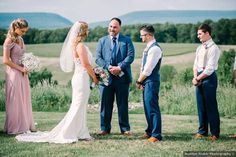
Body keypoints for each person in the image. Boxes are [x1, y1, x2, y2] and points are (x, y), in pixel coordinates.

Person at [15, 21, 99, 143]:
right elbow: (86, 64)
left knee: (80, 105)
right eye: (87, 29)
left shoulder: (76, 45)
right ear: (83, 31)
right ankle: (68, 132)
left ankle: (81, 131)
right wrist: (95, 78)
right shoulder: (80, 46)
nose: (89, 31)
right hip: (81, 78)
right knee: (78, 105)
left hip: (81, 77)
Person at [95, 17, 135, 135]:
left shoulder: (127, 40)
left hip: (123, 78)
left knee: (122, 104)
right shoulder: (102, 41)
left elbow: (130, 56)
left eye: (115, 27)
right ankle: (105, 129)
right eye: (110, 26)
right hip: (106, 77)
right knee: (105, 104)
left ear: (119, 28)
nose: (112, 29)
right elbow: (98, 58)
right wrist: (109, 67)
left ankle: (125, 129)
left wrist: (119, 67)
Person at [3, 18, 36, 134]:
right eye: (22, 31)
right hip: (13, 73)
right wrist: (20, 68)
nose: (24, 33)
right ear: (16, 28)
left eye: (25, 31)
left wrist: (28, 65)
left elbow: (22, 55)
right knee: (15, 99)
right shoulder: (8, 41)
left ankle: (25, 124)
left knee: (24, 98)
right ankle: (14, 127)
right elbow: (6, 60)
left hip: (23, 73)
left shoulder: (21, 39)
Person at [192, 23, 221, 141]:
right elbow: (195, 64)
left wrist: (199, 78)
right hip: (198, 77)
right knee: (201, 106)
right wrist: (195, 77)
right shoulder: (199, 48)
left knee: (211, 106)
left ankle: (215, 133)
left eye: (200, 34)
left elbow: (210, 68)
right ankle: (202, 131)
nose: (198, 36)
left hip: (209, 78)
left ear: (207, 33)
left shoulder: (214, 48)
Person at [136, 25, 162, 142]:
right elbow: (143, 67)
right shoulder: (148, 47)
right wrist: (141, 80)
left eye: (142, 35)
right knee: (147, 107)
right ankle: (150, 131)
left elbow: (148, 69)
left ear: (148, 35)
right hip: (146, 80)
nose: (140, 37)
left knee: (152, 107)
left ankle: (156, 134)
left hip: (151, 81)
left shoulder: (155, 49)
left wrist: (139, 81)